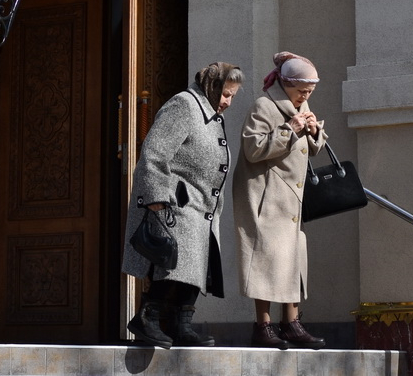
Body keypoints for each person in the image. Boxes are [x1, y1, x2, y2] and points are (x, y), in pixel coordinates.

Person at [122, 62, 243, 349]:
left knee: (197, 267)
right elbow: (153, 153)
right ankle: (147, 318)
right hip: (176, 204)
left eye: (232, 97)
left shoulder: (212, 116)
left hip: (203, 206)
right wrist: (155, 199)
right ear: (211, 86)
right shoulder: (184, 106)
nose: (227, 102)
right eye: (225, 94)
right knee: (175, 262)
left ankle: (181, 323)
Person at [232, 52, 329, 350]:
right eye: (302, 90)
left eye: (310, 91)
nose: (306, 96)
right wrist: (291, 128)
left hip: (290, 198)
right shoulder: (264, 106)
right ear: (286, 84)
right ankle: (263, 326)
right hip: (265, 195)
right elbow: (253, 149)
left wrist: (314, 132)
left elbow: (310, 149)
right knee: (265, 258)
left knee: (292, 260)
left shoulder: (301, 106)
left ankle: (291, 323)